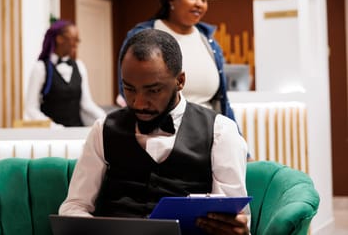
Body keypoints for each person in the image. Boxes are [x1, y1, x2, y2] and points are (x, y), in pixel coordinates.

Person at [59, 29, 250, 234]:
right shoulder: (103, 129)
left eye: (153, 90)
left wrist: (237, 227)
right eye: (129, 89)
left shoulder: (221, 132)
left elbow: (235, 217)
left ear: (180, 81)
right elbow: (74, 206)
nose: (139, 103)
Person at [118, 0, 236, 122]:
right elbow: (126, 87)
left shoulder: (209, 41)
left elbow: (222, 101)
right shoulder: (142, 36)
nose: (199, 4)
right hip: (160, 133)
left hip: (208, 133)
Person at [24, 19, 105, 127]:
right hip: (52, 135)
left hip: (77, 130)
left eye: (78, 40)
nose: (76, 44)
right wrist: (52, 126)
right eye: (74, 39)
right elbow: (31, 108)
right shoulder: (40, 68)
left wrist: (106, 118)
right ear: (59, 39)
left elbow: (86, 103)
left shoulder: (80, 66)